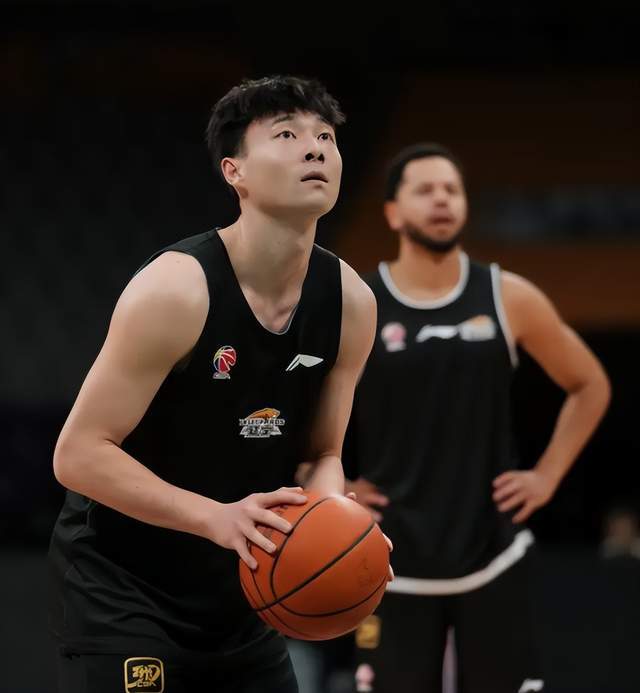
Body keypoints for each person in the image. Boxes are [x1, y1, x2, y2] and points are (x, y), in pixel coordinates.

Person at [49, 75, 379, 693]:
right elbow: (79, 454)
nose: (315, 148)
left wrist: (333, 525)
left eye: (326, 138)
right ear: (235, 172)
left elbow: (322, 454)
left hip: (243, 591)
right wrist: (215, 518)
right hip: (126, 590)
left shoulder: (352, 303)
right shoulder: (176, 290)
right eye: (288, 135)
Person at [346, 143, 611, 693]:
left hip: (494, 552)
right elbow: (295, 401)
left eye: (452, 189)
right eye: (425, 190)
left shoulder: (507, 295)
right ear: (392, 212)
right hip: (390, 558)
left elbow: (590, 385)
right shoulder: (360, 303)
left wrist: (548, 475)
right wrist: (332, 484)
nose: (442, 199)